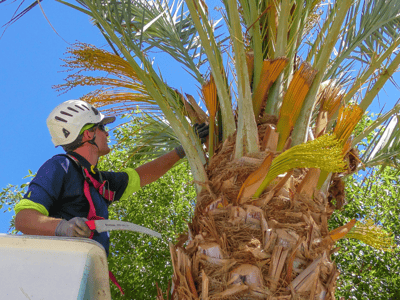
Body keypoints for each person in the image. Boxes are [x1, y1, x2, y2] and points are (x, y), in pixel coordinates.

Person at [14, 100, 209, 257]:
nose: (107, 133)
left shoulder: (98, 181)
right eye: (102, 128)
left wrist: (183, 150)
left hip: (86, 273)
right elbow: (24, 219)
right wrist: (63, 227)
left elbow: (142, 176)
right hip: (58, 271)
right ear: (88, 133)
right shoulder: (59, 166)